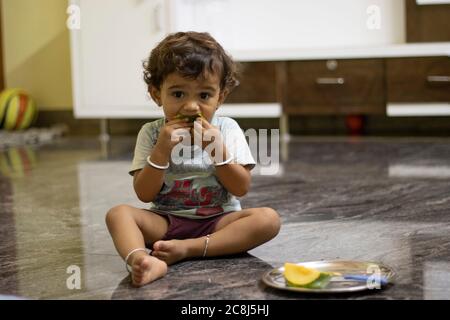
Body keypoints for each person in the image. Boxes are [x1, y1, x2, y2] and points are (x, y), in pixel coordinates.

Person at [105, 31, 280, 287]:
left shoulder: (227, 129)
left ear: (220, 97)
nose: (190, 107)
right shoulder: (152, 133)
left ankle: (190, 248)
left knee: (268, 219)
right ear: (156, 94)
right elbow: (144, 194)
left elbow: (240, 188)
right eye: (178, 94)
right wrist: (161, 150)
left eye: (204, 95)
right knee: (118, 214)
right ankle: (143, 261)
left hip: (220, 221)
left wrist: (218, 151)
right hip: (167, 221)